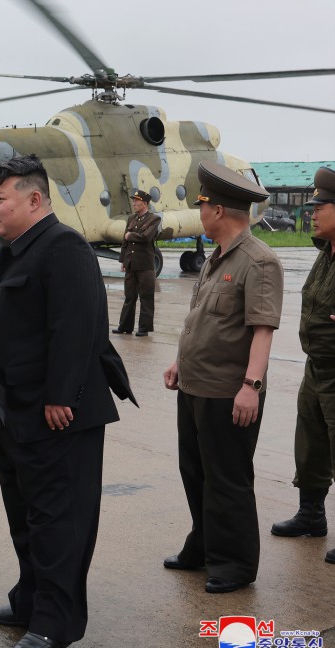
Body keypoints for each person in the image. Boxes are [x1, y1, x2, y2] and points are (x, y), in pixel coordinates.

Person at [0, 155, 134, 648]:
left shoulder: (63, 248)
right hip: (15, 414)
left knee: (59, 521)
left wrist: (62, 395)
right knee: (27, 516)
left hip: (55, 416)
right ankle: (29, 601)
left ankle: (54, 625)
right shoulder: (20, 251)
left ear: (34, 199)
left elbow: (78, 328)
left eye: (0, 199)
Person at [162, 161, 281, 594]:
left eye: (202, 205)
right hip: (195, 386)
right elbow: (204, 321)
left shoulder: (259, 261)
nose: (199, 213)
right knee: (194, 473)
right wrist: (180, 362)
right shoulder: (215, 258)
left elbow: (262, 330)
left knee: (227, 479)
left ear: (220, 210)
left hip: (229, 392)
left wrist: (251, 387)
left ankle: (235, 563)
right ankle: (205, 544)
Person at [270, 165, 335, 565]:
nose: (312, 212)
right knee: (310, 444)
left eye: (321, 206)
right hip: (317, 367)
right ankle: (311, 514)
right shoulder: (325, 253)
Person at [113, 189, 161, 336]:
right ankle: (125, 326)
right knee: (129, 297)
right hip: (131, 264)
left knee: (146, 297)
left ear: (145, 203)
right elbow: (124, 241)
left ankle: (144, 328)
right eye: (133, 200)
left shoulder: (154, 219)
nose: (133, 203)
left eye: (136, 201)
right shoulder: (131, 218)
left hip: (145, 265)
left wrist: (130, 235)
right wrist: (123, 260)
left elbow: (146, 237)